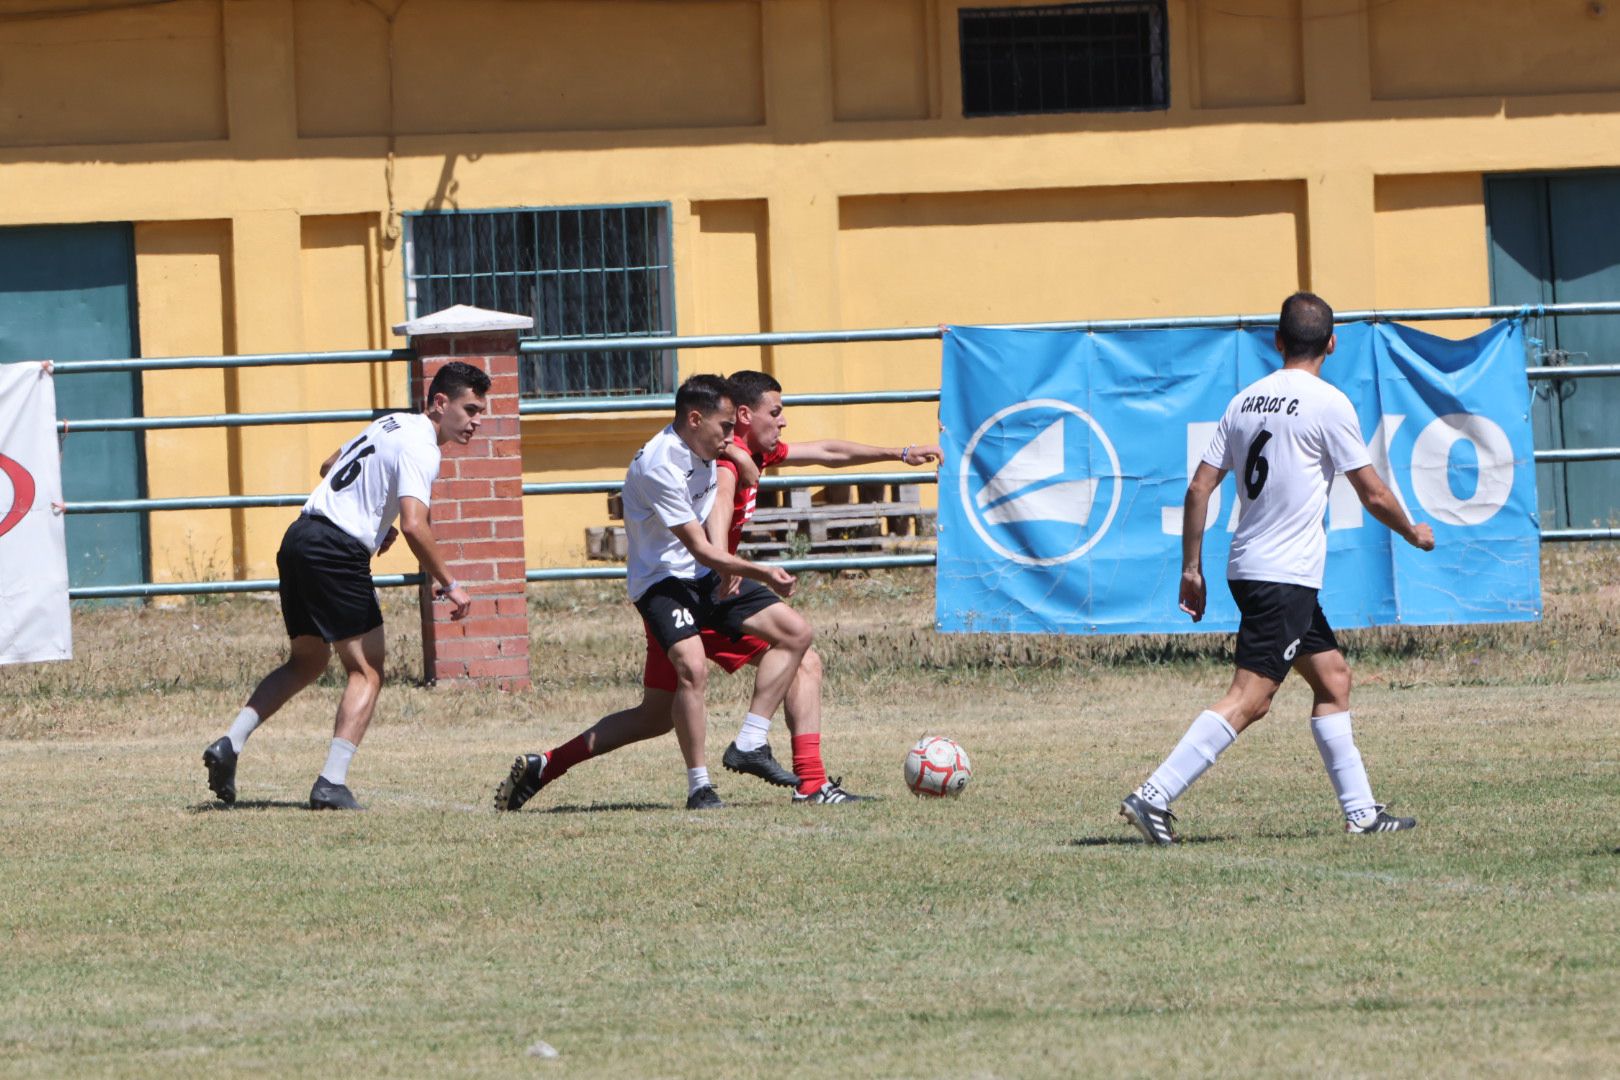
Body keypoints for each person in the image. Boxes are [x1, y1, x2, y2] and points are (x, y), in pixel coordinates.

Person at [494, 369, 941, 810]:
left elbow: (826, 450)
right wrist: (746, 565)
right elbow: (714, 521)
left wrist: (899, 452)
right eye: (776, 412)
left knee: (667, 710)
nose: (783, 422)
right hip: (674, 584)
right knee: (704, 671)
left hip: (711, 579)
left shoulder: (727, 445)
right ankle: (717, 776)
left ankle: (547, 766)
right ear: (740, 416)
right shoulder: (687, 462)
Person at [1119, 292, 1436, 845]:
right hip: (1284, 575)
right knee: (1251, 697)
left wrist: (1191, 568)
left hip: (1253, 567)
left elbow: (1198, 487)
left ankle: (1361, 813)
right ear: (1332, 344)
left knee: (1333, 678)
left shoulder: (1244, 401)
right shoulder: (1328, 403)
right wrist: (1412, 530)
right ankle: (1153, 795)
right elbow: (1371, 492)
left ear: (1278, 341)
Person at [201, 361, 488, 810]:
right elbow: (416, 525)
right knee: (367, 670)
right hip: (336, 552)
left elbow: (328, 465)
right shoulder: (424, 447)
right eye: (470, 409)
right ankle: (331, 783)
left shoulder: (390, 423)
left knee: (307, 661)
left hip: (299, 538)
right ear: (439, 403)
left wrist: (378, 516)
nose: (476, 420)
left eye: (481, 412)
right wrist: (451, 583)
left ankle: (229, 744)